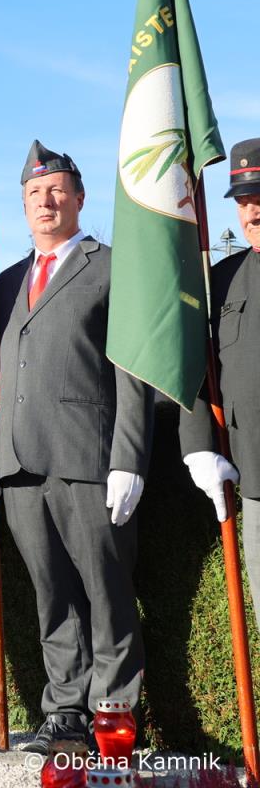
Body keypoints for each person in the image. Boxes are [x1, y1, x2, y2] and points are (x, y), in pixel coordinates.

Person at [0, 141, 153, 754]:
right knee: (52, 597)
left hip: (90, 460)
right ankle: (65, 712)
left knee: (107, 593)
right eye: (34, 193)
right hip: (18, 465)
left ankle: (113, 715)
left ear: (79, 198)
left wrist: (129, 458)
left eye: (57, 190)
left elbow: (133, 372)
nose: (46, 201)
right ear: (23, 205)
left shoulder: (113, 267)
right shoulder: (5, 283)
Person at [180, 137, 260, 629]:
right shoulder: (223, 281)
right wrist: (197, 446)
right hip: (256, 478)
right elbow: (196, 366)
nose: (253, 212)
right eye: (245, 201)